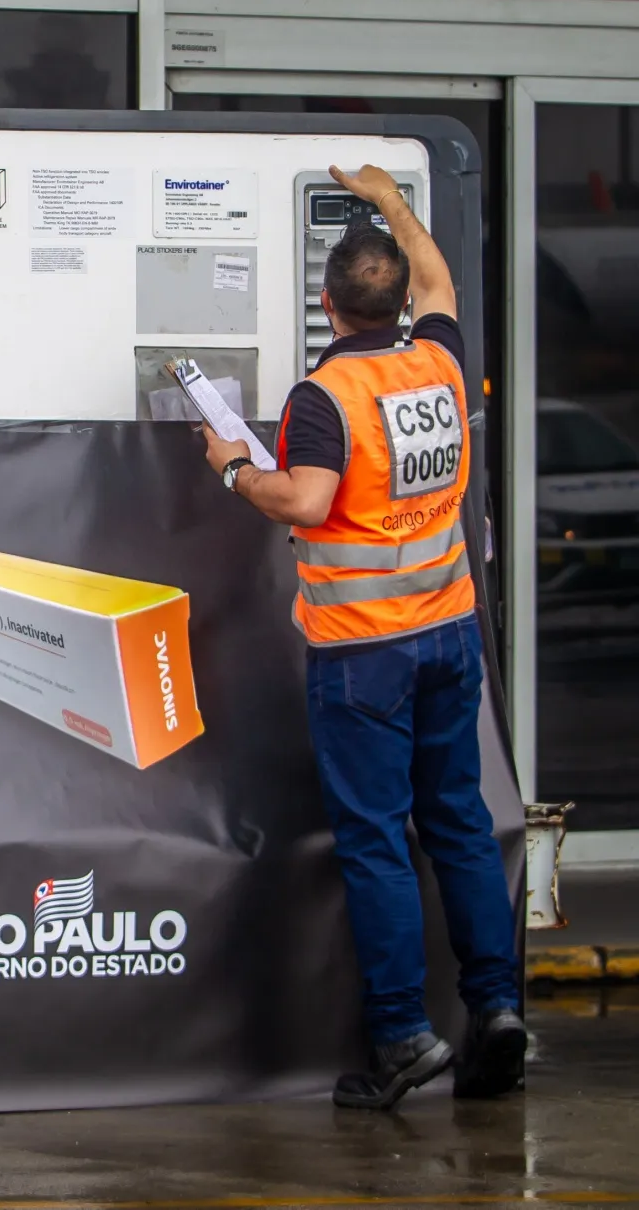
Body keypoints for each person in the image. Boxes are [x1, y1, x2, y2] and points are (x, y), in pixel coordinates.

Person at [200, 164, 524, 1111]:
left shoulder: (324, 397)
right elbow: (438, 279)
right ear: (393, 302)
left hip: (362, 652)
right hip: (447, 633)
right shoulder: (439, 360)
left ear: (327, 303)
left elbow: (303, 499)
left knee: (379, 841)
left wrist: (230, 468)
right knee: (459, 821)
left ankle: (401, 1037)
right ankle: (496, 1010)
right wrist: (390, 198)